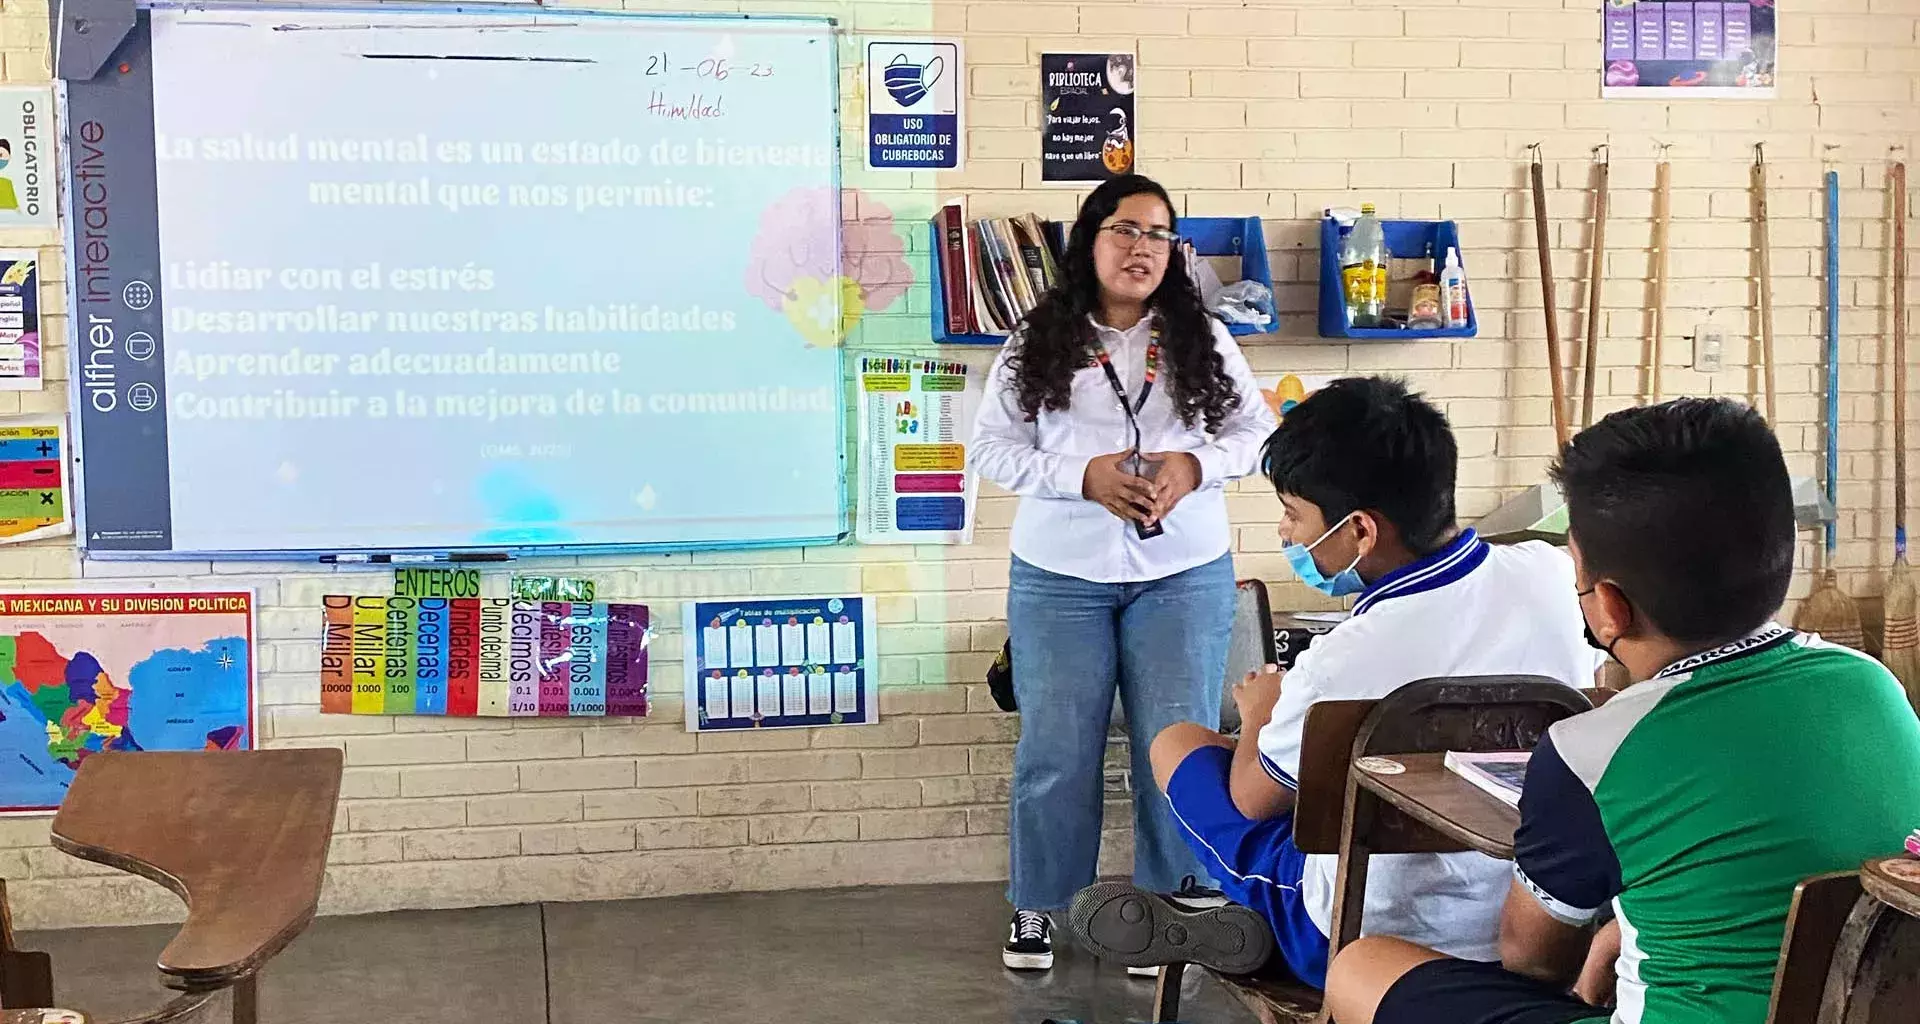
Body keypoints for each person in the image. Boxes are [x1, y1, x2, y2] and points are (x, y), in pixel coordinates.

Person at [1321, 398, 1920, 1024]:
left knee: (1363, 966)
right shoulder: (1874, 684)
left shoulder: (1594, 747)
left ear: (1608, 605)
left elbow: (1532, 958)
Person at [1068, 376, 1595, 986]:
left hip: (1354, 935)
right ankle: (1240, 920)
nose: (1287, 535)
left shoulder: (1343, 656)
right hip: (1534, 925)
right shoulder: (1554, 575)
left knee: (1178, 744)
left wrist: (1264, 711)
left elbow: (1250, 801)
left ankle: (1253, 918)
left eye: (1294, 516)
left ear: (1361, 531)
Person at [970, 174, 1277, 971]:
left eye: (1157, 234)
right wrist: (1081, 477)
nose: (1142, 247)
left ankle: (1167, 909)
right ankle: (1039, 904)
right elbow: (991, 450)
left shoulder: (1203, 338)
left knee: (1173, 743)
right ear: (1091, 241)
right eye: (1125, 230)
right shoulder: (1038, 338)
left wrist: (1192, 463)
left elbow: (1257, 434)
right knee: (1056, 747)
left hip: (1180, 569)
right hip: (1058, 572)